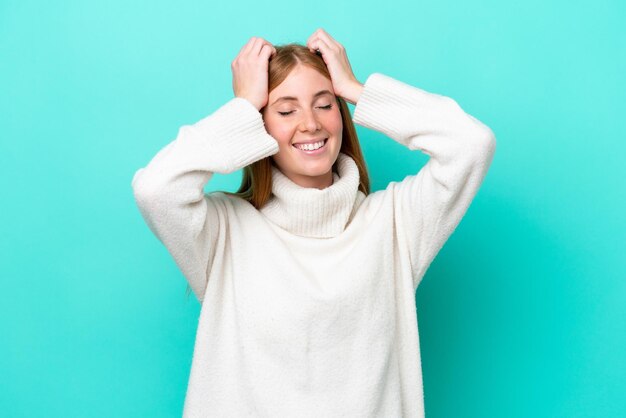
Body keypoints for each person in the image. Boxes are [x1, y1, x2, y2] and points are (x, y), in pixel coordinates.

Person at [132, 28, 496, 418]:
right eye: (286, 111)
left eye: (324, 105)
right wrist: (243, 106)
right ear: (260, 126)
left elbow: (471, 144)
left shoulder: (395, 225)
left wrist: (356, 89)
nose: (310, 124)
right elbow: (156, 189)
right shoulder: (223, 232)